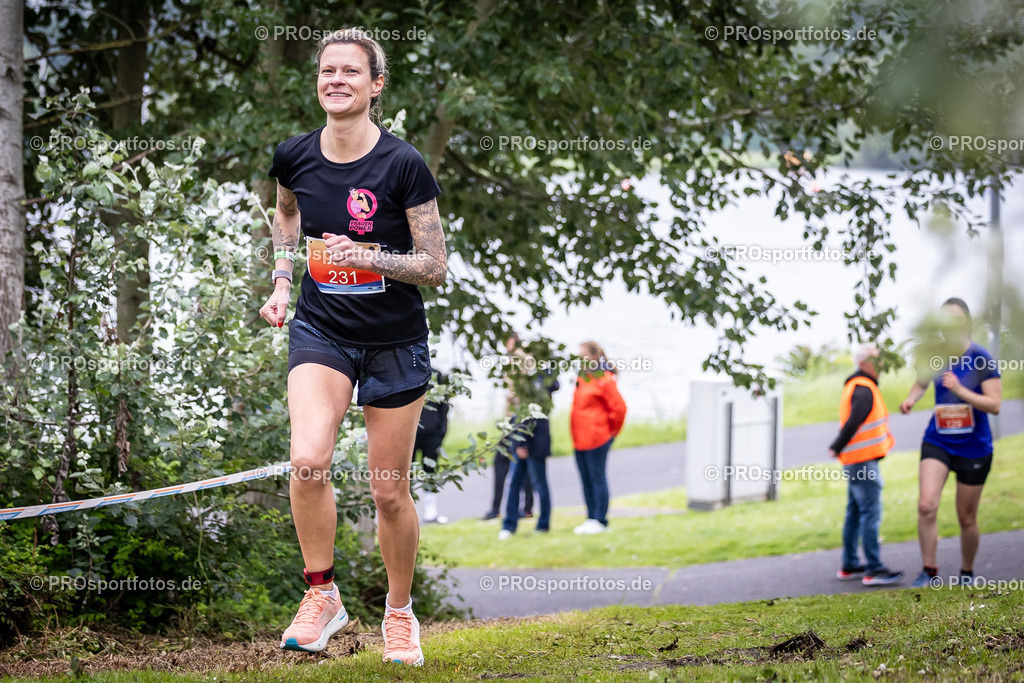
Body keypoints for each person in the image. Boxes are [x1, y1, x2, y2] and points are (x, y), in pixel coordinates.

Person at [260, 28, 446, 666]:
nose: (336, 80)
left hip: (394, 341)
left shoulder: (403, 164)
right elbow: (287, 215)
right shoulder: (293, 156)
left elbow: (435, 267)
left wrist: (367, 256)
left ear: (375, 85)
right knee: (308, 460)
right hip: (322, 331)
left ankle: (399, 612)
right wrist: (282, 280)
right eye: (327, 71)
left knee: (389, 491)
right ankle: (322, 594)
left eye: (351, 72)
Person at [900, 298, 1002, 588]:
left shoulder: (981, 358)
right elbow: (921, 382)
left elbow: (994, 405)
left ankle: (966, 573)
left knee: (966, 518)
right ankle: (928, 571)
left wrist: (960, 390)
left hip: (974, 447)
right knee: (926, 505)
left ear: (967, 323)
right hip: (939, 441)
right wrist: (911, 398)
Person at [828, 343, 904, 586]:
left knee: (854, 513)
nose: (880, 364)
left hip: (855, 461)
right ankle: (874, 568)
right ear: (862, 363)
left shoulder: (856, 385)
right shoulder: (863, 388)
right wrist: (836, 446)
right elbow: (854, 421)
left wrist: (838, 447)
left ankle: (850, 564)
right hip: (862, 462)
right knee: (870, 513)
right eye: (875, 360)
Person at [498, 347, 560, 539]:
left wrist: (521, 443)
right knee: (514, 483)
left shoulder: (539, 382)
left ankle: (543, 525)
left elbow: (529, 417)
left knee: (539, 484)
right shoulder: (524, 383)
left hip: (535, 442)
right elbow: (520, 416)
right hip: (522, 441)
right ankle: (509, 525)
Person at [571, 341, 626, 534]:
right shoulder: (583, 377)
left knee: (597, 478)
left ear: (594, 356)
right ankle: (591, 517)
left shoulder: (604, 379)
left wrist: (612, 433)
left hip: (597, 438)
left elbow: (619, 408)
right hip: (580, 439)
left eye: (583, 355)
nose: (580, 359)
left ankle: (600, 519)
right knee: (585, 479)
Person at [481, 333, 533, 520]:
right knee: (512, 462)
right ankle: (520, 508)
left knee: (512, 462)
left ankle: (514, 508)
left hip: (516, 419)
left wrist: (513, 397)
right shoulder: (517, 358)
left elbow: (523, 386)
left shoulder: (520, 357)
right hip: (511, 419)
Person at [415, 372, 450, 524]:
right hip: (410, 433)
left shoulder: (437, 375)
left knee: (430, 471)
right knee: (405, 472)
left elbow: (444, 405)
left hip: (432, 435)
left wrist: (442, 431)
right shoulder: (407, 370)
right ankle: (408, 512)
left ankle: (431, 511)